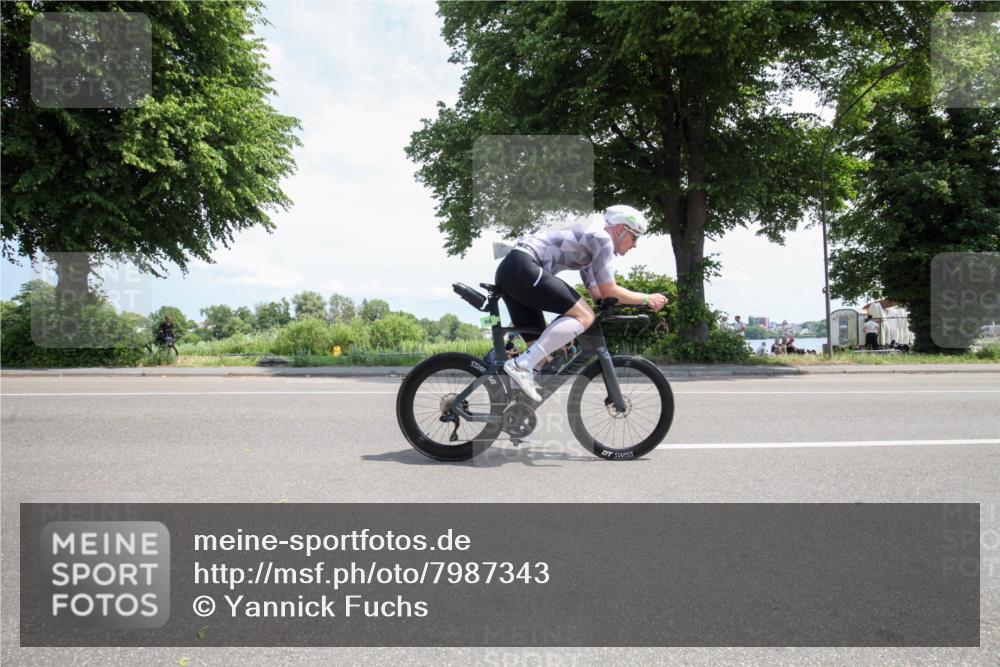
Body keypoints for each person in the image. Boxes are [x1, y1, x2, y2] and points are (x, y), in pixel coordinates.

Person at [495, 205, 667, 401]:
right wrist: (647, 298)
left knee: (542, 357)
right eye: (635, 237)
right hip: (524, 268)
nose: (634, 245)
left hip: (513, 270)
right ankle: (520, 365)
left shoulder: (590, 246)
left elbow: (598, 293)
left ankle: (510, 406)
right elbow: (610, 290)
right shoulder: (603, 240)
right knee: (584, 316)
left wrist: (623, 303)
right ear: (621, 229)